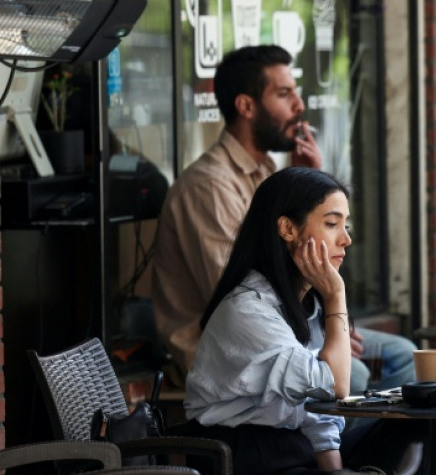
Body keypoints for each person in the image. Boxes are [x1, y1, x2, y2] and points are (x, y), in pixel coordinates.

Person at [152, 45, 416, 393]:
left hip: (292, 323)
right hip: (233, 350)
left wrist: (310, 187)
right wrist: (329, 322)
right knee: (354, 375)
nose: (299, 105)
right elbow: (238, 291)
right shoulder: (209, 187)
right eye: (284, 93)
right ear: (246, 106)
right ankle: (331, 431)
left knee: (402, 355)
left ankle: (357, 430)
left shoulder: (267, 170)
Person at [184, 167, 422, 474]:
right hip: (249, 457)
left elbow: (319, 415)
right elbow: (335, 385)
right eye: (332, 224)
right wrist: (336, 294)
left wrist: (335, 471)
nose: (346, 239)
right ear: (288, 229)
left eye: (346, 225)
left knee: (419, 421)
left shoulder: (305, 304)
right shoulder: (247, 309)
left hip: (297, 451)